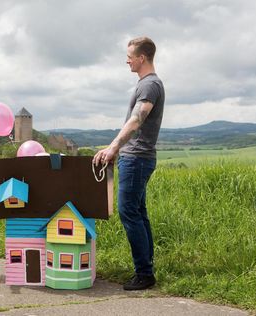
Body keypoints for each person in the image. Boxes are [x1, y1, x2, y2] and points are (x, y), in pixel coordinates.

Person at [93, 37, 165, 290]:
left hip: (137, 159)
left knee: (128, 212)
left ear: (141, 58)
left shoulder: (150, 85)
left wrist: (114, 146)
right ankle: (146, 269)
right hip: (136, 157)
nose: (127, 60)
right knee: (138, 214)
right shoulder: (148, 84)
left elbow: (136, 120)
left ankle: (144, 274)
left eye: (130, 56)